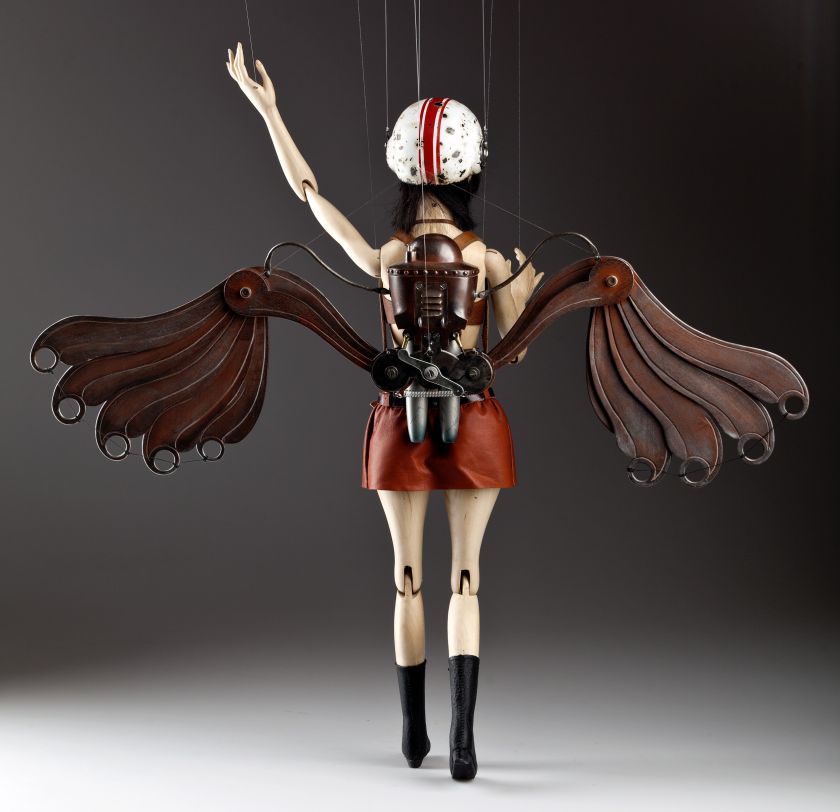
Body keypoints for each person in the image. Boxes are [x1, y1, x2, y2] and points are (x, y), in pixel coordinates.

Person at [226, 42, 541, 780]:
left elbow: (308, 194)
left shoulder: (388, 259)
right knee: (467, 579)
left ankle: (415, 735)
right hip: (474, 418)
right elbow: (518, 349)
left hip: (400, 420)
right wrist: (523, 279)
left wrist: (269, 111)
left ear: (404, 170)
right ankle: (463, 742)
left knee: (407, 579)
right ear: (470, 171)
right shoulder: (489, 259)